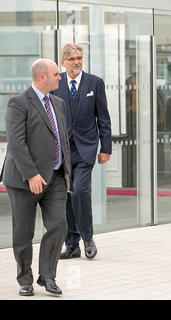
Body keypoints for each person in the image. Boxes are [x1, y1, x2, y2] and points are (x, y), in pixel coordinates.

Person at [0, 59, 72, 296]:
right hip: (24, 180)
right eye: (55, 74)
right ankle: (25, 279)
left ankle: (48, 276)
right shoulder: (18, 103)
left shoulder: (59, 103)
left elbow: (61, 138)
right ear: (42, 77)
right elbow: (17, 143)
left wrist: (66, 171)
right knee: (24, 232)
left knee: (58, 224)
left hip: (56, 178)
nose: (59, 77)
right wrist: (31, 174)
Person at [53, 43, 112, 260]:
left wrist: (106, 148)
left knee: (79, 191)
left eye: (79, 58)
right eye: (72, 59)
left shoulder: (94, 83)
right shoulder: (55, 83)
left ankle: (87, 237)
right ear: (63, 62)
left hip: (86, 148)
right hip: (61, 151)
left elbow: (103, 118)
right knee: (67, 196)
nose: (77, 62)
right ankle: (72, 244)